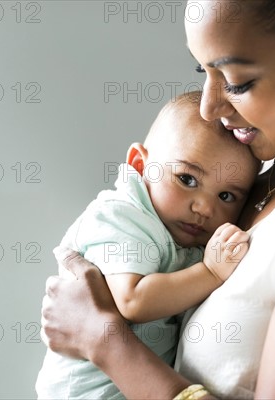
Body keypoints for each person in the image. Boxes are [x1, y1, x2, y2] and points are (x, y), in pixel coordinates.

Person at [40, 1, 275, 398]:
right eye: (203, 71)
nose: (209, 108)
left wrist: (104, 341)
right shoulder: (247, 190)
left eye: (237, 81)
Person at [36, 91, 260, 399]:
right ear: (140, 165)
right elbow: (133, 301)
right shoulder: (122, 216)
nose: (205, 208)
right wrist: (210, 272)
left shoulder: (187, 234)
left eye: (226, 196)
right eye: (188, 179)